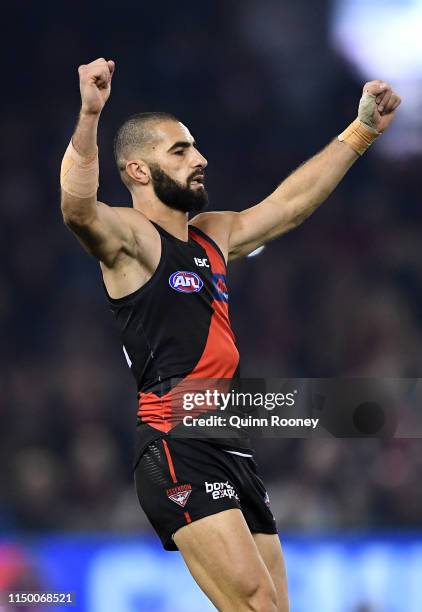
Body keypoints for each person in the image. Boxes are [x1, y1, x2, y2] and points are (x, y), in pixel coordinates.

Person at [60, 57, 401, 612]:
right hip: (177, 445)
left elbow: (289, 206)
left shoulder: (214, 234)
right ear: (139, 171)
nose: (200, 158)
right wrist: (90, 113)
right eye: (180, 150)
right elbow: (76, 209)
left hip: (232, 445)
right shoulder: (131, 240)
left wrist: (361, 131)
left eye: (195, 147)